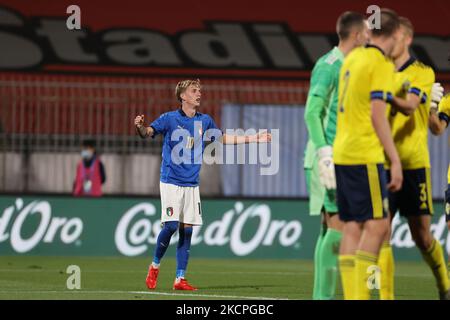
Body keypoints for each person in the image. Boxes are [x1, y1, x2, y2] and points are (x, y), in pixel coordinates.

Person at [134, 79, 271, 291]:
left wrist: (253, 138)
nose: (198, 94)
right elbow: (148, 133)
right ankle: (155, 266)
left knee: (187, 231)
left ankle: (180, 279)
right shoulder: (169, 119)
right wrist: (141, 127)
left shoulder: (204, 121)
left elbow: (222, 138)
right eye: (194, 91)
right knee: (170, 226)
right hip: (171, 181)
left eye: (199, 90)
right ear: (183, 96)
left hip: (191, 183)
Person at [333, 8, 403, 300]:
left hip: (342, 151)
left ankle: (352, 297)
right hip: (365, 152)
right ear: (396, 35)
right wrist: (395, 159)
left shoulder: (353, 58)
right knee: (378, 225)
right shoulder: (380, 63)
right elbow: (377, 114)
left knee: (353, 226)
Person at [378, 17, 449, 300]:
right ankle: (385, 297)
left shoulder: (422, 72)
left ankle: (444, 283)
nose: (384, 43)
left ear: (405, 39)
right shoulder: (377, 70)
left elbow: (408, 108)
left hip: (414, 164)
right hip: (381, 163)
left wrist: (426, 106)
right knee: (380, 232)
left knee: (422, 236)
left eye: (390, 37)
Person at [303, 11, 368, 300]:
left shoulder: (353, 64)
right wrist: (325, 154)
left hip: (340, 156)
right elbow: (311, 113)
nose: (369, 37)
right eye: (366, 33)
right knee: (339, 227)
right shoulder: (329, 66)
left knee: (330, 229)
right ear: (356, 35)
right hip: (326, 157)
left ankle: (322, 295)